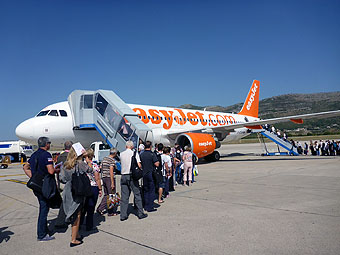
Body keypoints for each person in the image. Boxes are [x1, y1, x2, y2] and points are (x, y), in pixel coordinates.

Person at [23, 137, 60, 241]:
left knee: (44, 206)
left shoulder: (34, 155)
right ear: (46, 144)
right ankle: (41, 234)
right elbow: (51, 171)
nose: (50, 145)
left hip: (37, 186)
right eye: (49, 143)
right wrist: (57, 169)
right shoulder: (46, 155)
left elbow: (25, 168)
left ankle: (44, 230)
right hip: (45, 186)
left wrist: (33, 177)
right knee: (44, 209)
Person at [60, 142, 92, 247]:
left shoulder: (66, 164)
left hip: (68, 191)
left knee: (73, 212)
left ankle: (76, 233)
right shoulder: (81, 164)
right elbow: (91, 170)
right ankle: (73, 239)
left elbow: (62, 179)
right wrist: (87, 159)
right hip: (78, 191)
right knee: (77, 214)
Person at [120, 141, 147, 221]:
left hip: (123, 175)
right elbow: (139, 165)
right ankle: (140, 213)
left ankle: (123, 215)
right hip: (132, 176)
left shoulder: (121, 154)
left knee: (124, 196)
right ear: (132, 146)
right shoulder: (134, 154)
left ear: (126, 146)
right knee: (137, 194)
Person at [81, 148, 103, 231]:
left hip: (84, 187)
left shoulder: (82, 165)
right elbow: (97, 178)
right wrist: (100, 188)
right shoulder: (94, 165)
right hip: (93, 187)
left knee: (83, 207)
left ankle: (80, 223)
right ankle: (89, 225)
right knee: (90, 207)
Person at [54, 141, 73, 229]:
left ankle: (66, 218)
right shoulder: (70, 157)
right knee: (66, 202)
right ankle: (61, 221)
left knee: (64, 201)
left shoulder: (60, 156)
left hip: (60, 181)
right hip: (67, 182)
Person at [96, 148, 118, 216]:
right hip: (109, 178)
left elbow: (101, 168)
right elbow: (111, 171)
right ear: (114, 153)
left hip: (104, 177)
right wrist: (112, 182)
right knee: (111, 195)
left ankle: (100, 208)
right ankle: (110, 212)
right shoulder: (112, 160)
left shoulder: (104, 159)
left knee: (106, 195)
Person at [140, 141, 159, 211]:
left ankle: (145, 205)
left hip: (144, 173)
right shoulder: (152, 154)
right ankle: (150, 206)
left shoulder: (142, 154)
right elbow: (156, 164)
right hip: (150, 173)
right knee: (151, 190)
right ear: (150, 146)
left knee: (145, 190)